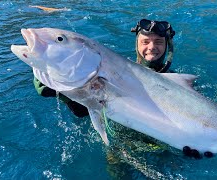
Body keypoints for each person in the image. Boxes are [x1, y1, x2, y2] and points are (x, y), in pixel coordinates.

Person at [33, 19, 175, 118]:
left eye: (158, 42)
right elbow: (85, 112)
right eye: (145, 42)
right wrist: (67, 94)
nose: (151, 47)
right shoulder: (114, 72)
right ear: (137, 45)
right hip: (120, 147)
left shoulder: (178, 82)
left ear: (167, 46)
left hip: (165, 149)